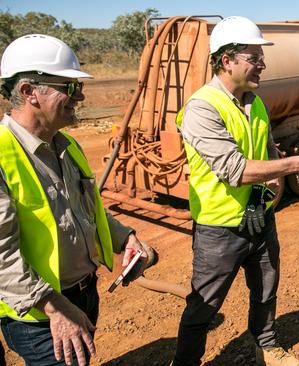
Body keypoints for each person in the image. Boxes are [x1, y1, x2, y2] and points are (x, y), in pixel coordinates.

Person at [171, 16, 299, 366]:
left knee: (266, 290)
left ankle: (266, 345)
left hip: (259, 216)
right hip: (220, 228)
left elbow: (266, 148)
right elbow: (235, 170)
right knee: (204, 307)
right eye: (255, 57)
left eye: (261, 57)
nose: (263, 64)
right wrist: (293, 165)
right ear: (227, 61)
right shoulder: (202, 108)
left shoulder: (254, 102)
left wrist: (274, 176)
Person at [0, 34, 151, 366]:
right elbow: (2, 259)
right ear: (28, 92)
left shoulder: (67, 146)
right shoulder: (1, 156)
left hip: (83, 295)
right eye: (68, 87)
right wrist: (56, 307)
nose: (80, 96)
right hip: (40, 315)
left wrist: (124, 237)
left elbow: (86, 211)